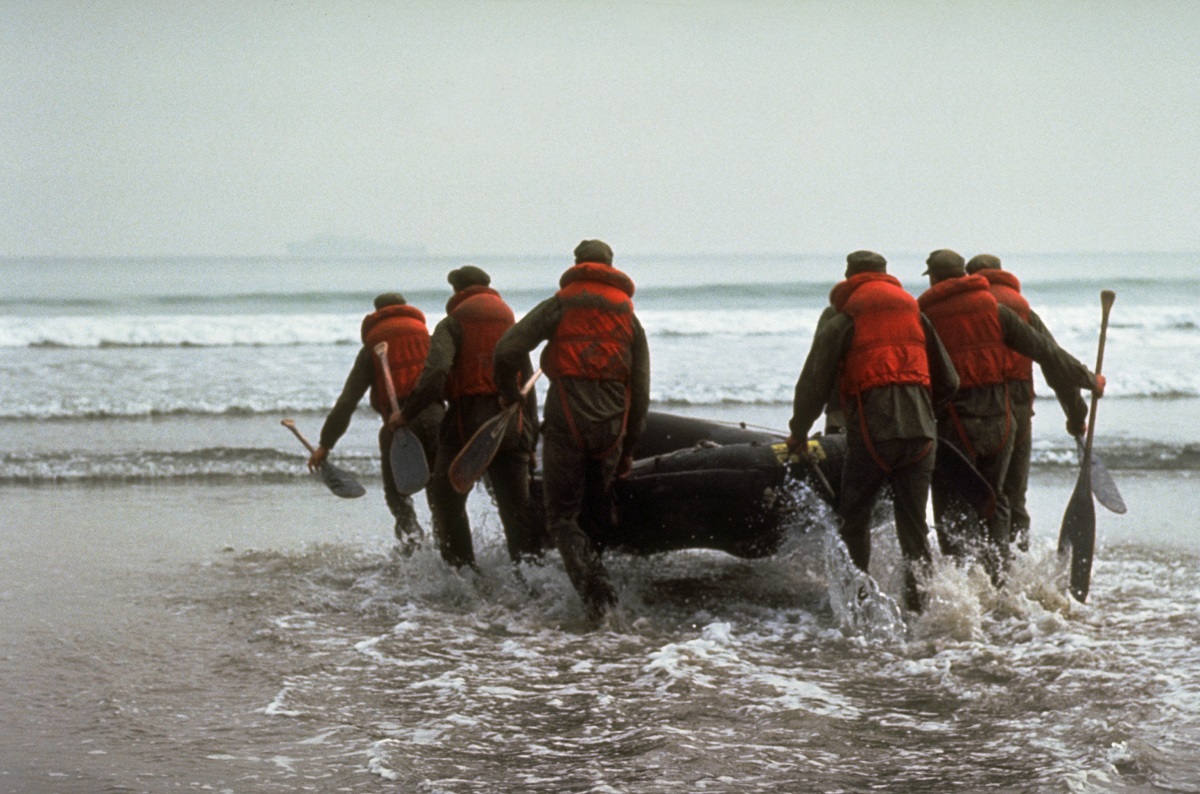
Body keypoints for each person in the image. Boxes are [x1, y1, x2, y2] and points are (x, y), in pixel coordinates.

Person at [787, 250, 959, 612]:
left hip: (872, 434)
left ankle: (858, 604)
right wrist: (929, 413)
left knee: (854, 521)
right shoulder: (914, 312)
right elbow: (950, 380)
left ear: (850, 277)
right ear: (886, 275)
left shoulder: (844, 317)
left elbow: (813, 385)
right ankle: (919, 609)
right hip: (922, 436)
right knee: (914, 532)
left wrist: (799, 432)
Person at [918, 250, 1104, 583]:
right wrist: (1087, 385)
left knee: (952, 504)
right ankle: (1004, 576)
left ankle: (961, 584)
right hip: (1004, 417)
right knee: (1001, 498)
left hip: (953, 420)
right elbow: (1048, 355)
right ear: (966, 277)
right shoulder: (1001, 308)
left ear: (933, 278)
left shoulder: (925, 314)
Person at [493, 239, 651, 622]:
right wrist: (629, 446)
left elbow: (506, 350)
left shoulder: (561, 303)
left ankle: (596, 599)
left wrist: (509, 392)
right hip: (612, 428)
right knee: (596, 514)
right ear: (611, 267)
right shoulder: (629, 317)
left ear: (578, 264)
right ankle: (604, 594)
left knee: (563, 516)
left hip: (567, 420)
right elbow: (641, 388)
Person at [397, 266, 541, 569]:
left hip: (468, 422)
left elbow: (435, 373)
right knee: (516, 509)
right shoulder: (508, 320)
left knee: (446, 498)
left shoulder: (452, 323)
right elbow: (526, 381)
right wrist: (530, 441)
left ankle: (463, 575)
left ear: (457, 291)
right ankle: (531, 581)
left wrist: (406, 414)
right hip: (511, 423)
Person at [966, 253, 1090, 551]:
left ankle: (981, 562)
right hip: (1019, 406)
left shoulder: (972, 308)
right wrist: (1075, 413)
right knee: (1014, 494)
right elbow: (1053, 362)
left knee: (980, 492)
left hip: (976, 410)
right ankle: (1017, 563)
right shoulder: (1022, 309)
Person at [308, 292, 442, 552]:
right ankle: (447, 545)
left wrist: (325, 444)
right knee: (439, 491)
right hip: (437, 419)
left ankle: (414, 543)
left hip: (397, 425)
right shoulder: (427, 337)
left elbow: (348, 401)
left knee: (396, 493)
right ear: (405, 308)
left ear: (377, 312)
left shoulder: (373, 344)